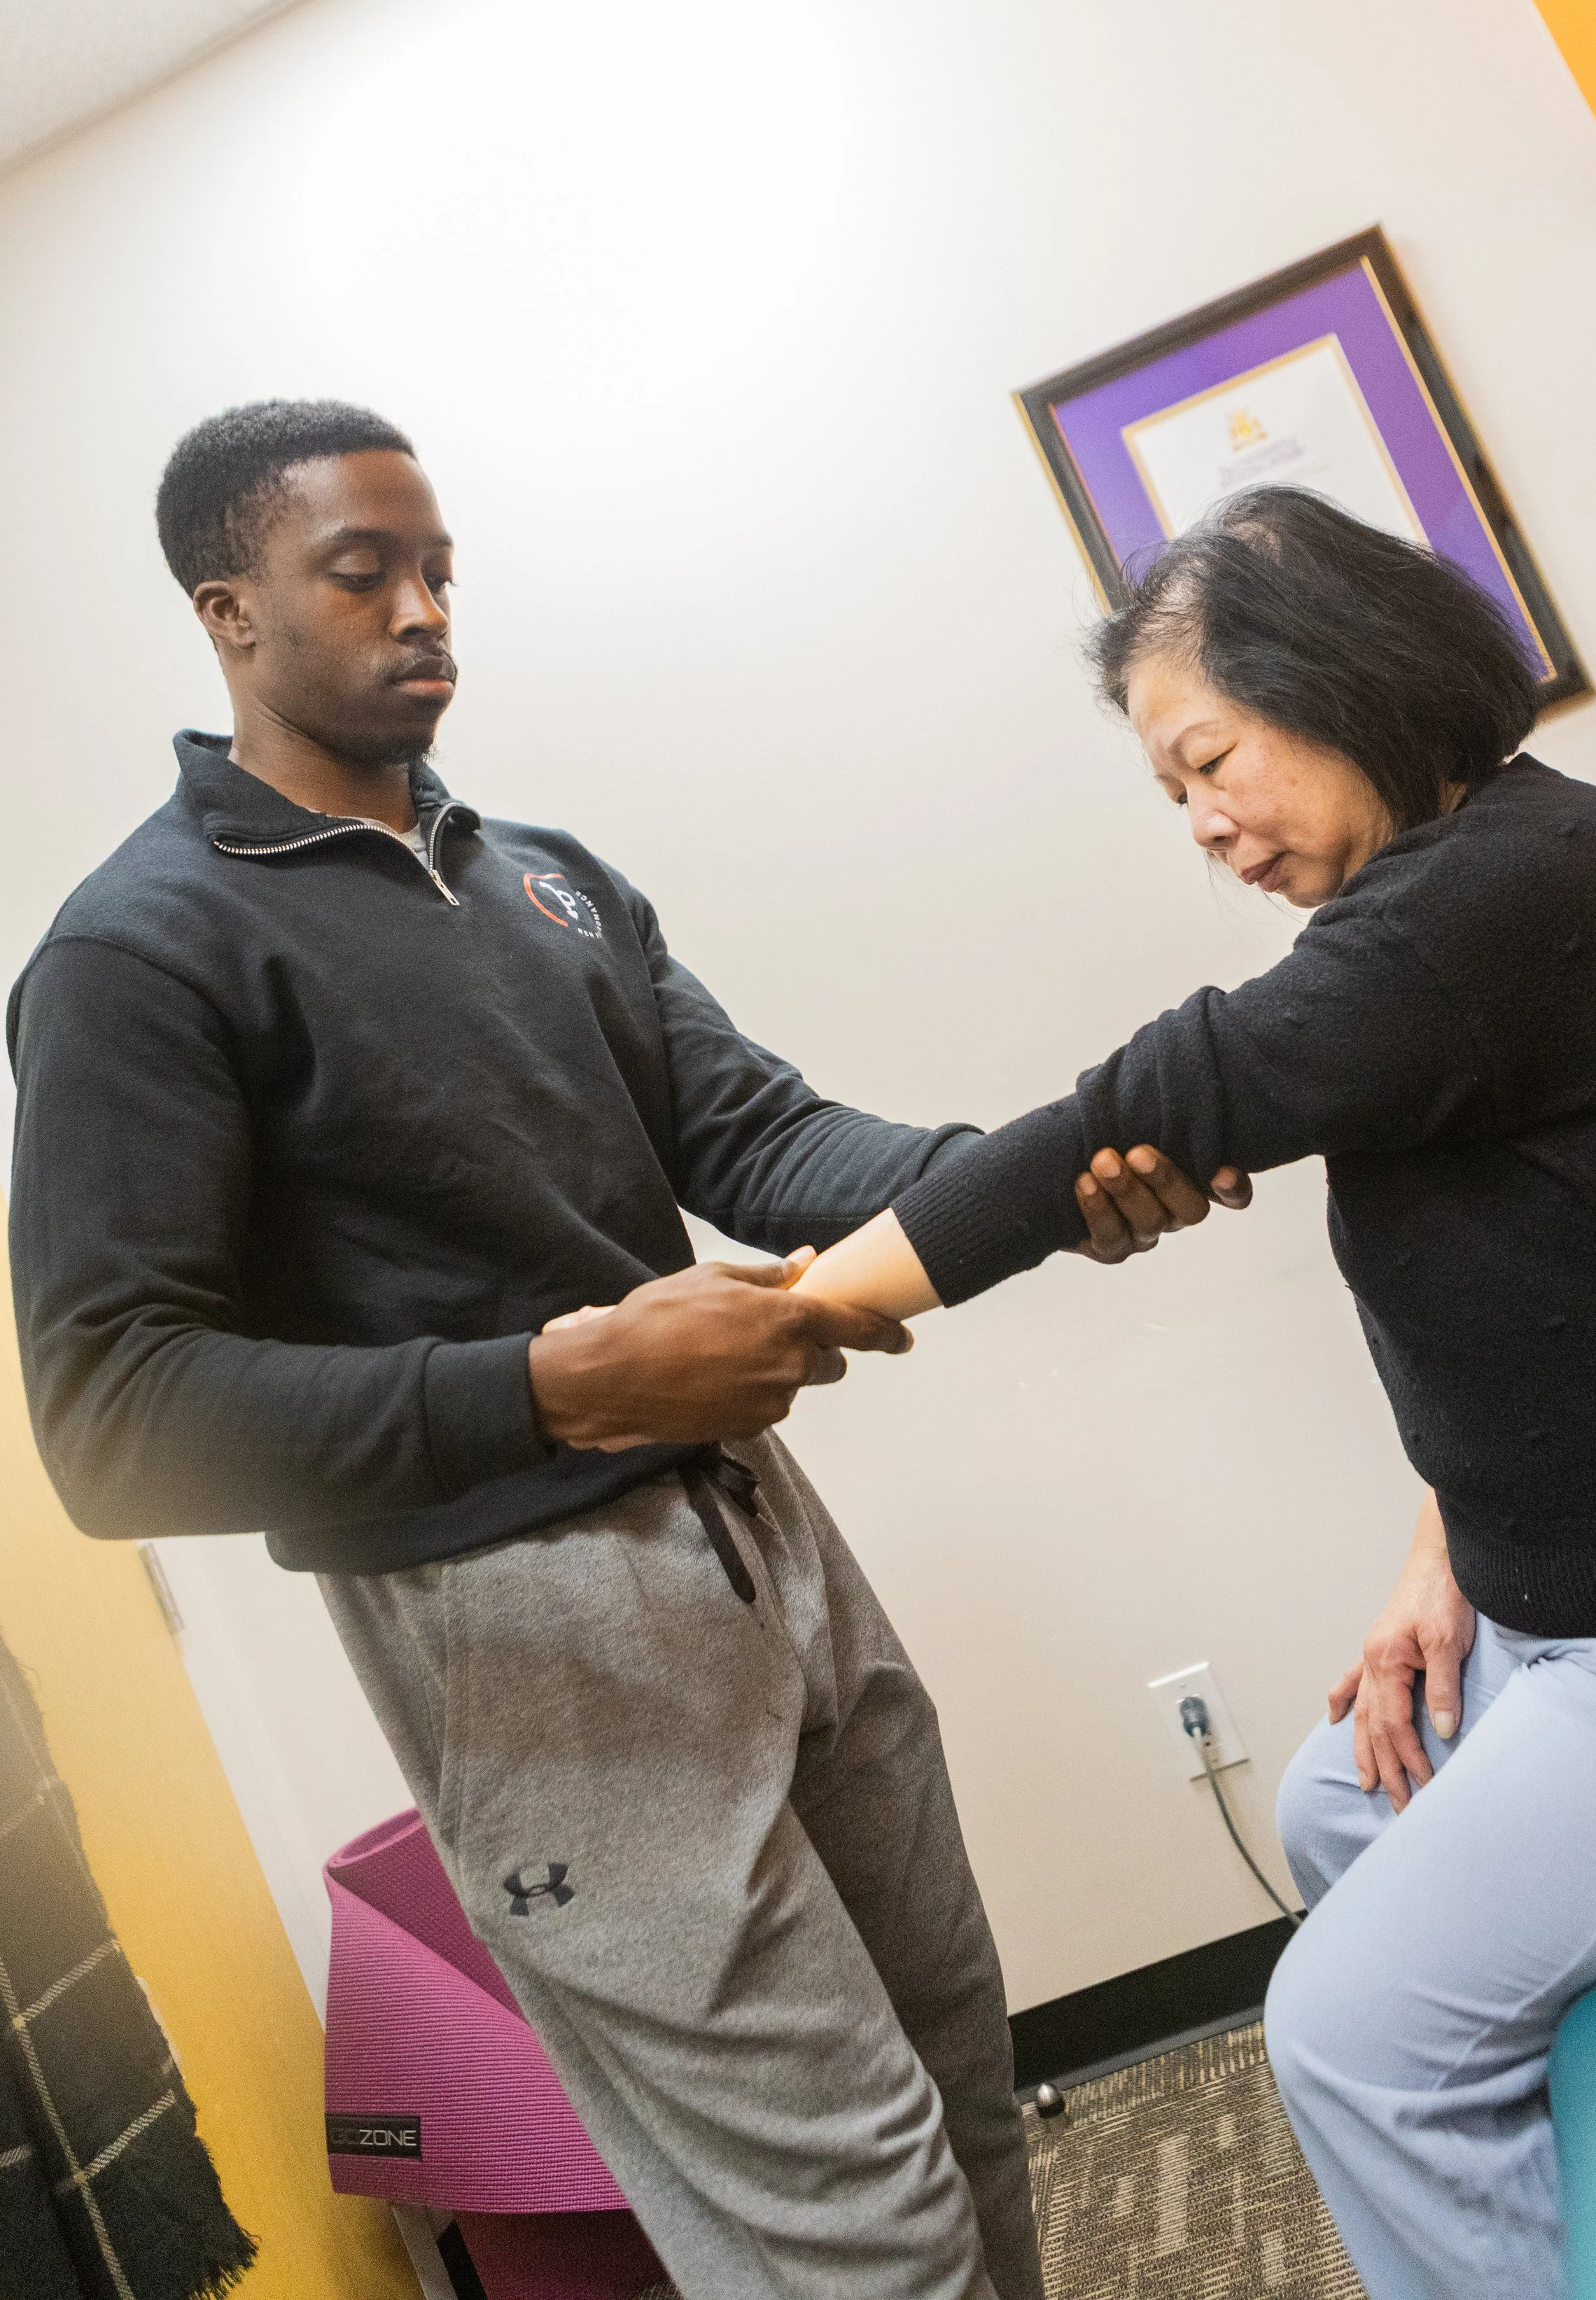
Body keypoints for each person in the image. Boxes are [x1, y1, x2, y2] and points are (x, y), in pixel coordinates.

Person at [5, 400, 1216, 2300]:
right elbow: (110, 1421)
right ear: (228, 610)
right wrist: (562, 1381)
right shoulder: (138, 954)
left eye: (440, 571)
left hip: (765, 1532)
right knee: (853, 2222)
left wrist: (1047, 1178)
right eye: (362, 572)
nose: (424, 611)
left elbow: (755, 1137)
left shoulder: (539, 874)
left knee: (958, 2086)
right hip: (525, 1630)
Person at [786, 486, 1596, 2300]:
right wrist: (1441, 1548)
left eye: (1209, 758)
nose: (1205, 824)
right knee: (1333, 1805)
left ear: (1343, 678)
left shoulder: (1506, 896)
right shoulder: (1491, 887)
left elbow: (1157, 1095)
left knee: (1342, 2033)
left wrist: (791, 1317)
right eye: (1171, 795)